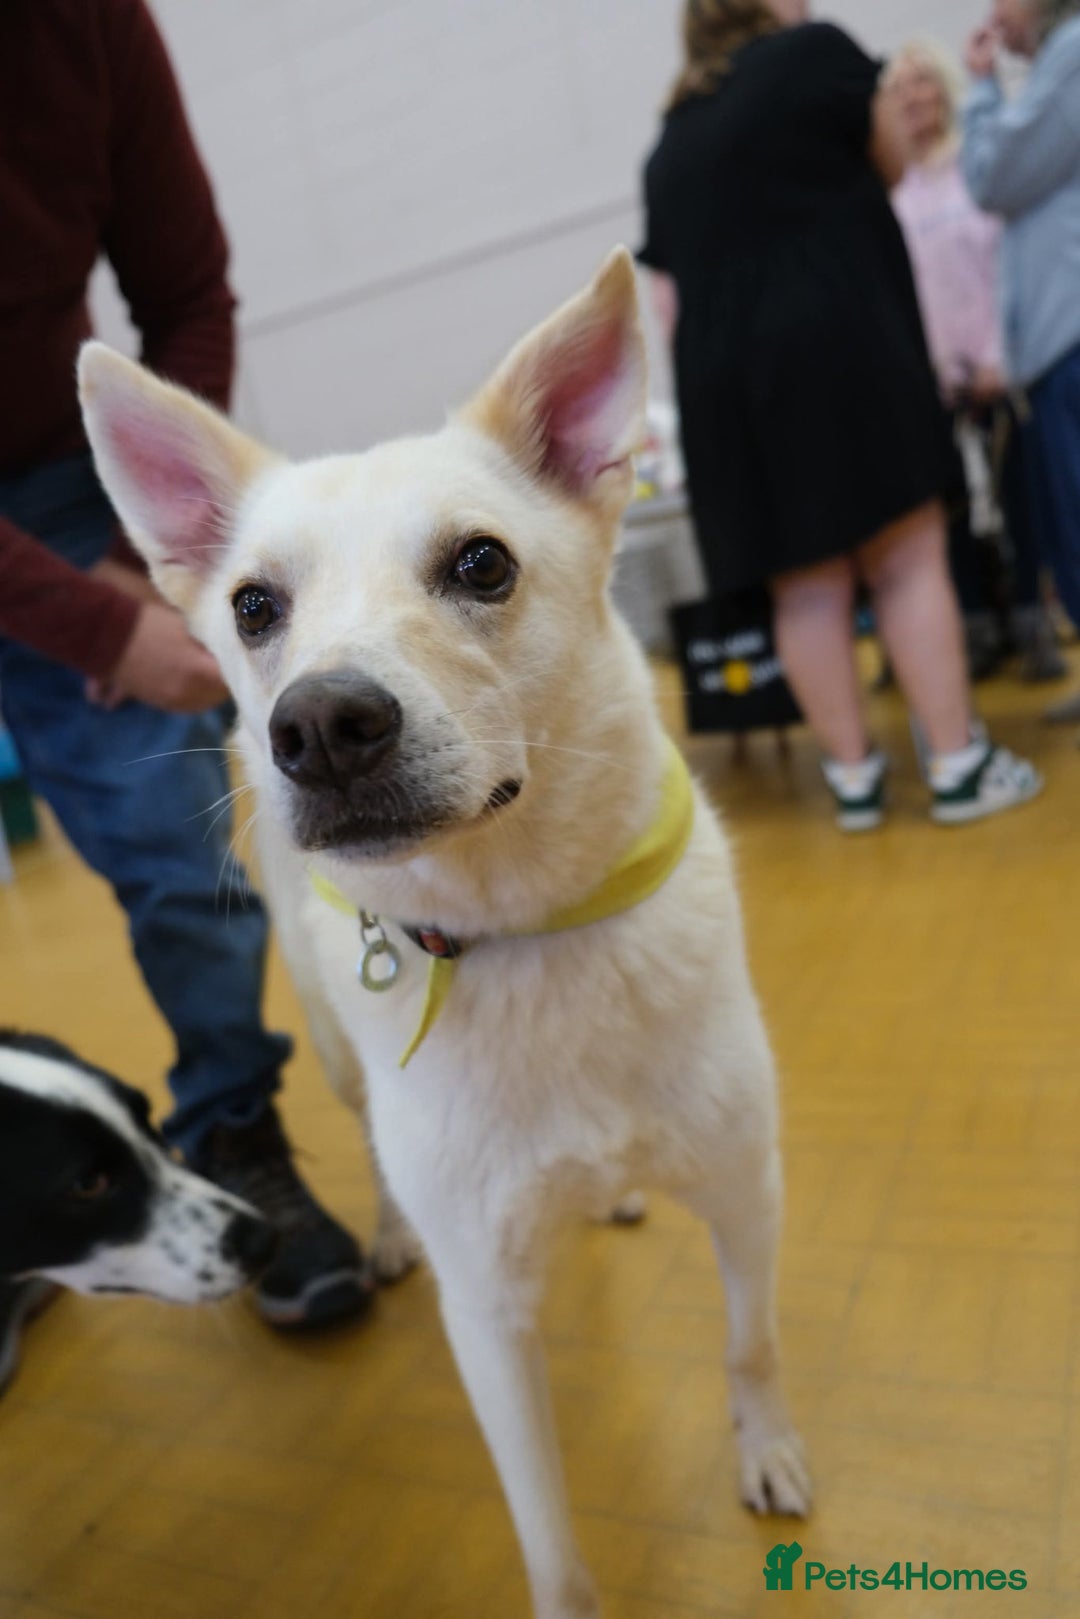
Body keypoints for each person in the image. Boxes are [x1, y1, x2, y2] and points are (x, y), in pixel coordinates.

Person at [0, 0, 373, 1389]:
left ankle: (229, 1129)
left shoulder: (85, 25)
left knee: (185, 843)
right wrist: (90, 621)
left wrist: (156, 541)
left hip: (55, 463)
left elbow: (189, 291)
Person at [638, 0, 1041, 830]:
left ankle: (854, 781)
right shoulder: (814, 54)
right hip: (840, 342)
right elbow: (892, 160)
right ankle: (958, 764)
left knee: (805, 589)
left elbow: (668, 296)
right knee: (905, 556)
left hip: (727, 392)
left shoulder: (669, 139)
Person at [888, 38, 1065, 683]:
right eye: (900, 87)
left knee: (1025, 502)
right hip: (936, 382)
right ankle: (976, 630)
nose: (914, 96)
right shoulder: (893, 196)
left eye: (922, 82)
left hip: (1000, 368)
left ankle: (1032, 623)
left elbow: (1002, 266)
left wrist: (997, 356)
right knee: (952, 515)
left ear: (942, 89)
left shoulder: (976, 169)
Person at [962, 0, 1080, 720]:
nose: (993, 15)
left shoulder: (1072, 52)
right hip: (1051, 348)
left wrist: (978, 88)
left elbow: (991, 176)